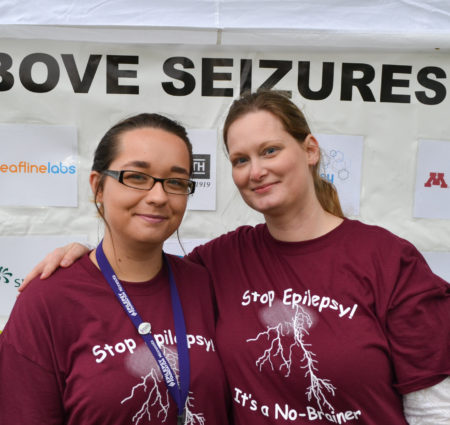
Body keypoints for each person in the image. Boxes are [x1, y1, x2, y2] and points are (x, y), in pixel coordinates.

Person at [17, 91, 450, 424]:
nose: (255, 170)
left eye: (270, 150)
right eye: (240, 159)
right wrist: (81, 257)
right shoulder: (220, 263)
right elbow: (130, 266)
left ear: (311, 150)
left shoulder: (387, 259)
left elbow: (436, 409)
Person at [0, 113, 231, 424]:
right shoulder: (47, 300)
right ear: (98, 187)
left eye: (175, 182)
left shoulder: (205, 284)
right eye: (136, 177)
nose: (159, 196)